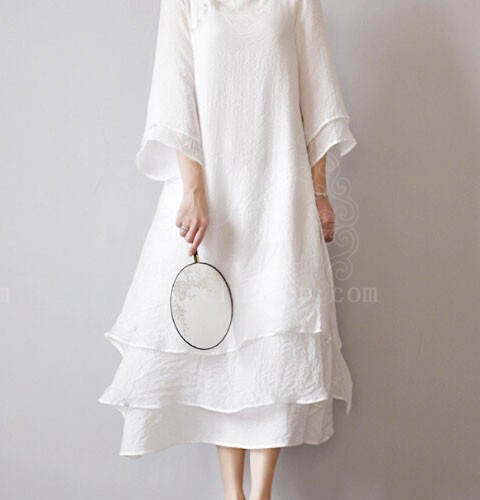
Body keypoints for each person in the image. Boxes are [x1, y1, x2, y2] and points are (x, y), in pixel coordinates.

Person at [98, 1, 357, 499]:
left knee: (275, 341)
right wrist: (193, 189)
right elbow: (174, 93)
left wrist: (320, 192)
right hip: (214, 200)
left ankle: (259, 495)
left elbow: (318, 98)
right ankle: (232, 495)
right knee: (220, 344)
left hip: (280, 198)